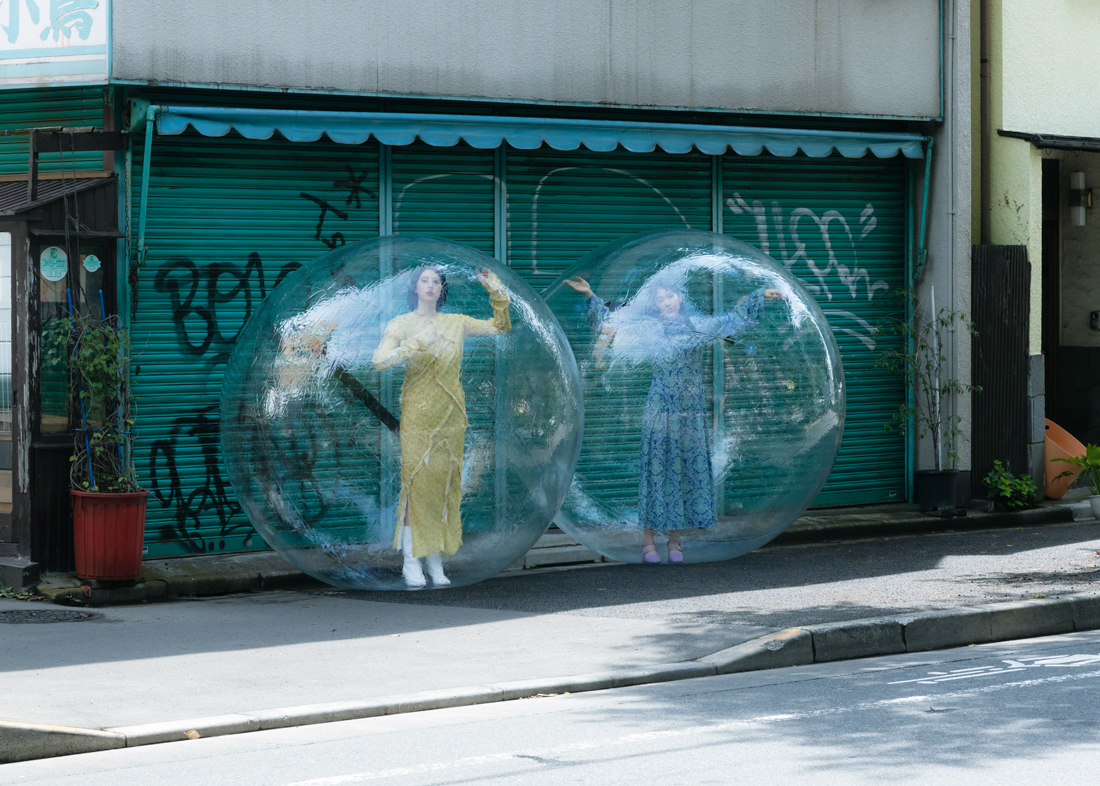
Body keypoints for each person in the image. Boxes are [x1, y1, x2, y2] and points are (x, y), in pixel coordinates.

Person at [565, 275, 783, 563]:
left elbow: (731, 319)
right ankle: (648, 541)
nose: (666, 302)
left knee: (682, 473)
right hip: (659, 409)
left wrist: (760, 294)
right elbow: (612, 323)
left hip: (689, 413)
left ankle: (675, 542)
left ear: (680, 298)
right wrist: (590, 295)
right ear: (655, 304)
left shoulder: (697, 326)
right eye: (660, 299)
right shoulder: (649, 328)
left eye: (670, 296)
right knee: (656, 473)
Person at [373, 266, 511, 587]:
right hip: (418, 417)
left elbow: (500, 326)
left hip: (451, 418)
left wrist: (495, 289)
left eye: (436, 281)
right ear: (416, 287)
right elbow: (380, 360)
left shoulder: (456, 322)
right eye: (425, 280)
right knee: (416, 484)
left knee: (445, 485)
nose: (431, 285)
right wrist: (414, 344)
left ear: (441, 289)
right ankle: (411, 560)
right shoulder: (402, 323)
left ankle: (434, 558)